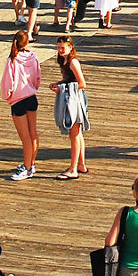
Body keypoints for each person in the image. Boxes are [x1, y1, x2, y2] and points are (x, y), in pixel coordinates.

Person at [2, 31, 41, 180]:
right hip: (31, 97)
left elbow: (8, 83)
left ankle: (27, 168)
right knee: (33, 133)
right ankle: (30, 163)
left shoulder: (12, 59)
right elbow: (38, 77)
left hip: (18, 100)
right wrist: (33, 88)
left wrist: (8, 96)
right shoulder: (33, 56)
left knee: (24, 137)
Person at [51, 36, 89, 179]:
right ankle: (81, 164)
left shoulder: (73, 62)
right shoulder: (63, 60)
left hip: (76, 100)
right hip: (70, 98)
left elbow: (82, 83)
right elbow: (69, 80)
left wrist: (62, 88)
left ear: (71, 47)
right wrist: (59, 83)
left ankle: (73, 169)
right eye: (58, 47)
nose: (60, 50)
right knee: (77, 133)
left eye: (63, 47)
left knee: (74, 134)